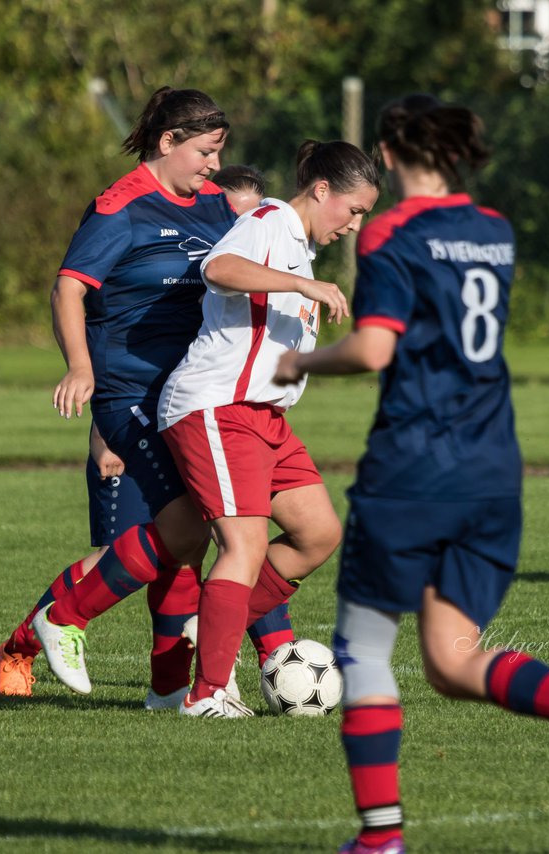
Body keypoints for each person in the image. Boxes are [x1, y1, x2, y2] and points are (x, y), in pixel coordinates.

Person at [272, 94, 549, 853]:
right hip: (493, 470)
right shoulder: (494, 230)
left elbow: (376, 349)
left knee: (361, 647)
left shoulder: (390, 232)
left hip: (414, 469)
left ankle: (380, 838)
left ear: (386, 154)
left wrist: (303, 358)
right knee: (451, 661)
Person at [0, 86, 235, 708]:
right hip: (129, 391)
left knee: (183, 539)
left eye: (219, 153)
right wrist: (80, 368)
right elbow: (68, 288)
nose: (213, 165)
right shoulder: (119, 206)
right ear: (167, 142)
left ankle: (166, 688)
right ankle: (36, 637)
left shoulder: (214, 206)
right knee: (168, 535)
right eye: (205, 152)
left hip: (192, 393)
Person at [158, 140, 380, 718]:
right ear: (322, 190)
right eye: (353, 210)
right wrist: (302, 288)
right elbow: (218, 269)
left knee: (319, 534)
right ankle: (206, 695)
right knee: (245, 546)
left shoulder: (300, 250)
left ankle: (212, 629)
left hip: (266, 420)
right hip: (218, 407)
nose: (355, 225)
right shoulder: (271, 219)